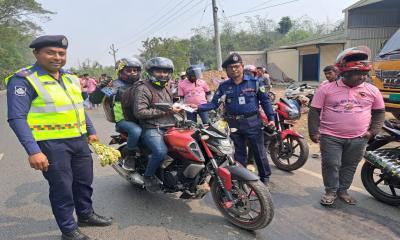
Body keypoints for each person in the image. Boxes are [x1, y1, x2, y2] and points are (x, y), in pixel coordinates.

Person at [5, 35, 112, 240]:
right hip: (51, 144)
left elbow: (79, 107)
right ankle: (68, 230)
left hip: (79, 140)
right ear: (36, 54)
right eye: (50, 52)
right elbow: (16, 118)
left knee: (84, 181)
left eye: (61, 53)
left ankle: (85, 215)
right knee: (62, 188)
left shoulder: (71, 78)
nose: (57, 57)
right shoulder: (24, 79)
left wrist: (91, 131)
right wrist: (33, 151)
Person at [308, 46, 385, 206]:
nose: (363, 77)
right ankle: (330, 191)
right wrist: (313, 132)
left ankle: (342, 190)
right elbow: (314, 111)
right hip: (330, 137)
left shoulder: (372, 90)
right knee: (331, 164)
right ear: (344, 73)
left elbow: (379, 112)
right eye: (358, 73)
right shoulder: (326, 89)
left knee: (350, 165)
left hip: (359, 138)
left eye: (365, 73)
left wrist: (372, 132)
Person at [193, 53, 276, 185]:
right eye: (230, 67)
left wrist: (271, 118)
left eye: (237, 66)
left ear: (242, 66)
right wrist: (197, 107)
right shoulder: (224, 86)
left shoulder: (255, 82)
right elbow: (214, 104)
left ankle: (265, 179)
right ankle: (241, 180)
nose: (234, 69)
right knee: (239, 153)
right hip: (233, 124)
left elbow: (265, 101)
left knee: (259, 152)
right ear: (227, 70)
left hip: (252, 122)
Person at [132, 57, 181, 192]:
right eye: (159, 71)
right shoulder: (143, 88)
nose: (163, 75)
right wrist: (165, 112)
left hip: (169, 126)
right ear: (151, 72)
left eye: (166, 72)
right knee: (160, 151)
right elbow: (140, 112)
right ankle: (148, 176)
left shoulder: (166, 87)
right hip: (152, 128)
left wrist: (183, 106)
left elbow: (168, 106)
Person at [89, 58, 143, 171]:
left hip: (143, 117)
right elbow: (94, 100)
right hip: (125, 120)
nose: (133, 73)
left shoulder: (143, 84)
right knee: (136, 131)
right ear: (120, 72)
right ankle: (130, 156)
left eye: (135, 70)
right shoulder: (115, 86)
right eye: (129, 70)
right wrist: (100, 88)